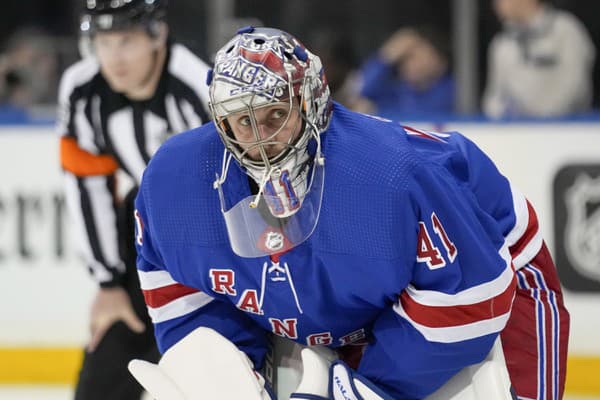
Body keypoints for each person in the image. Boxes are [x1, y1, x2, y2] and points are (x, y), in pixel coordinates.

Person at [132, 27, 569, 399]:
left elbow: (472, 299)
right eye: (243, 122)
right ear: (221, 122)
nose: (262, 141)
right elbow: (173, 281)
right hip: (347, 310)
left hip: (494, 278)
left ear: (312, 104)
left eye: (276, 115)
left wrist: (362, 387)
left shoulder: (393, 177)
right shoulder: (176, 179)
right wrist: (232, 365)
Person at [56, 0, 211, 398]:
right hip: (147, 236)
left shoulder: (197, 87)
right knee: (98, 386)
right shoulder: (82, 90)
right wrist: (108, 283)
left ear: (156, 35)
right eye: (103, 43)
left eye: (126, 41)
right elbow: (88, 189)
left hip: (218, 249)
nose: (114, 58)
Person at [483, 0, 596, 119]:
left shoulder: (566, 29)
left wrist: (543, 116)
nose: (496, 4)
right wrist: (502, 113)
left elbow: (576, 84)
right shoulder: (501, 43)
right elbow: (494, 98)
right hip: (520, 130)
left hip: (569, 127)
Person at [354, 26, 454, 120]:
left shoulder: (453, 90)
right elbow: (361, 89)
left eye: (416, 57)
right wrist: (387, 54)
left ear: (440, 61)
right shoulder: (394, 92)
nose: (410, 64)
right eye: (404, 58)